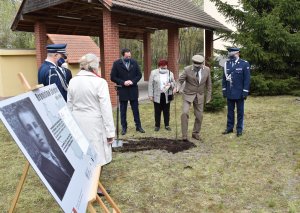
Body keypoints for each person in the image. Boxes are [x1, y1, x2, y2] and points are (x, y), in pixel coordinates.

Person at [67, 53, 115, 196]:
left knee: (81, 153)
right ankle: (94, 187)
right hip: (94, 123)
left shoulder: (73, 81)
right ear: (94, 66)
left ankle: (84, 183)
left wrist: (69, 125)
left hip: (76, 120)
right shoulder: (100, 82)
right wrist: (110, 132)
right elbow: (106, 109)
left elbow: (69, 105)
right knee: (97, 155)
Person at [16, 100, 74, 200]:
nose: (36, 132)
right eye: (29, 128)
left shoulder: (64, 149)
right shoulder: (44, 172)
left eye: (35, 125)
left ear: (41, 126)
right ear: (27, 135)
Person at [176, 55, 212, 141]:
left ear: (202, 63)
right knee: (184, 113)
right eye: (195, 65)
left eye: (198, 65)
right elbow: (180, 81)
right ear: (193, 63)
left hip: (199, 95)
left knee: (199, 116)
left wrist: (208, 96)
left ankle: (195, 133)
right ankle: (184, 135)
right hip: (188, 95)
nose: (196, 67)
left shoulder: (207, 70)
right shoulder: (187, 69)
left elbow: (209, 84)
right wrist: (177, 88)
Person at [110, 48, 145, 135]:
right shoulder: (117, 64)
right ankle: (124, 128)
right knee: (123, 110)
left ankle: (138, 126)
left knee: (135, 110)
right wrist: (123, 82)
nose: (129, 57)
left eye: (130, 56)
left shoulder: (134, 62)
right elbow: (113, 77)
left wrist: (132, 81)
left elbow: (139, 75)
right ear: (123, 55)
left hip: (133, 89)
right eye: (127, 56)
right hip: (123, 90)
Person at [222, 48, 250, 137]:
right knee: (230, 111)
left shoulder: (244, 64)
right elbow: (224, 78)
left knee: (240, 112)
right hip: (230, 92)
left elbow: (247, 79)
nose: (230, 55)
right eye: (230, 53)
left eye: (232, 53)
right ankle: (229, 128)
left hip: (239, 93)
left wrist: (245, 91)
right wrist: (224, 90)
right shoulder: (227, 64)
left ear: (237, 53)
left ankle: (239, 129)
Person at [148, 59, 176, 131]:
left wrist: (171, 84)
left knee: (166, 110)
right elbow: (150, 85)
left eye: (165, 65)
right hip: (157, 94)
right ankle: (157, 125)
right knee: (157, 110)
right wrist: (150, 95)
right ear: (159, 66)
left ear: (167, 65)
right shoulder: (153, 73)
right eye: (162, 65)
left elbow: (174, 83)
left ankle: (167, 125)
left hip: (167, 95)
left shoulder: (170, 73)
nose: (163, 67)